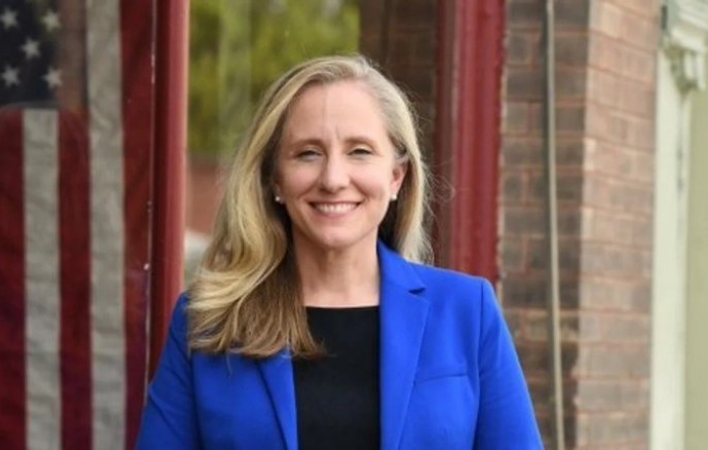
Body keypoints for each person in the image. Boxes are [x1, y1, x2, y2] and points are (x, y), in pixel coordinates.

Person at [136, 55, 542, 449]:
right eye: (308, 153)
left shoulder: (467, 311)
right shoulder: (208, 323)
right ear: (275, 179)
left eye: (359, 151)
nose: (333, 179)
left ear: (396, 176)